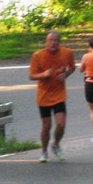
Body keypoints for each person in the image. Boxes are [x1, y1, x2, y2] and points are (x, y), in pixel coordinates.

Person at [29, 30, 76, 162]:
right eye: (50, 40)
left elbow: (72, 67)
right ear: (46, 42)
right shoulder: (38, 55)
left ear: (59, 42)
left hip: (59, 94)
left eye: (56, 40)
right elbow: (31, 75)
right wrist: (43, 75)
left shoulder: (67, 53)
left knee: (61, 124)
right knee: (47, 125)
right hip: (44, 95)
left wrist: (65, 75)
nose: (53, 43)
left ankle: (55, 144)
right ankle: (44, 151)